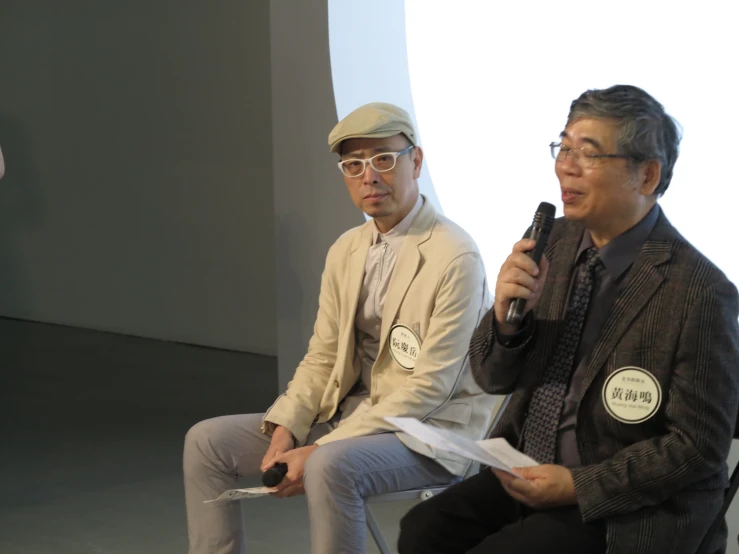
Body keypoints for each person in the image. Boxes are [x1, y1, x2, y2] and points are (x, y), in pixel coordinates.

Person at [398, 85, 739, 554]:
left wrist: (579, 485)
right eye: (564, 147)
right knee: (424, 530)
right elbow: (489, 376)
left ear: (647, 175)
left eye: (590, 154)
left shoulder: (698, 290)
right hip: (525, 470)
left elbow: (697, 446)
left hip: (626, 506)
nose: (566, 166)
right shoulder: (551, 243)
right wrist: (506, 321)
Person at [183, 102, 495, 554]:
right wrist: (287, 426)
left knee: (330, 463)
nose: (369, 176)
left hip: (431, 430)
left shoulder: (455, 255)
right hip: (350, 415)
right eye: (353, 165)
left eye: (384, 159)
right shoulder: (346, 249)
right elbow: (323, 356)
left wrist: (319, 448)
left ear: (417, 161)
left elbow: (432, 388)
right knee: (207, 442)